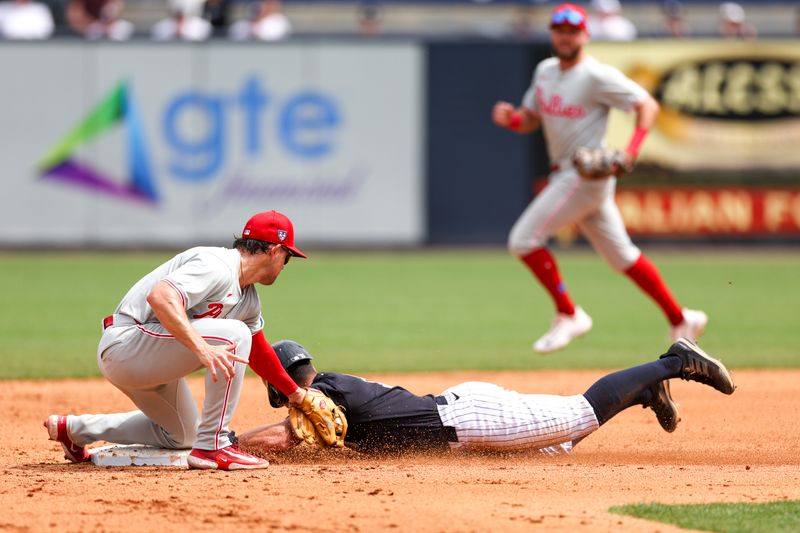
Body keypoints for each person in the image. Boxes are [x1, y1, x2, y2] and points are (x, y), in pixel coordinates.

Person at [491, 3, 708, 354]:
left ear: (585, 35)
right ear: (552, 34)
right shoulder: (545, 71)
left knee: (523, 240)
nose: (566, 36)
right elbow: (532, 117)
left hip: (583, 174)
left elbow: (646, 105)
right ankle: (680, 317)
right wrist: (513, 120)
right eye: (560, 30)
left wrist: (632, 150)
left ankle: (568, 314)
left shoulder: (595, 75)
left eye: (573, 30)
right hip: (574, 175)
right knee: (622, 256)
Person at [44, 211, 331, 471]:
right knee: (235, 334)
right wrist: (202, 347)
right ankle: (214, 446)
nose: (286, 265)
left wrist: (297, 394)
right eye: (288, 257)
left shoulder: (249, 299)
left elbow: (258, 351)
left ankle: (76, 430)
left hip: (152, 361)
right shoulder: (217, 266)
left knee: (183, 435)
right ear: (274, 250)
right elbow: (161, 297)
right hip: (127, 344)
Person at [240, 337, 735, 455]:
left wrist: (228, 444)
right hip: (464, 423)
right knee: (557, 450)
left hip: (472, 419)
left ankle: (675, 362)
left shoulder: (324, 391)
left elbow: (290, 436)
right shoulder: (327, 386)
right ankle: (643, 392)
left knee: (579, 413)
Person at [65, 0, 133, 40]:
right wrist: (94, 25)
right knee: (95, 31)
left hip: (110, 27)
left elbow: (116, 6)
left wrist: (108, 22)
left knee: (123, 28)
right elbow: (74, 15)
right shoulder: (93, 28)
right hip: (89, 29)